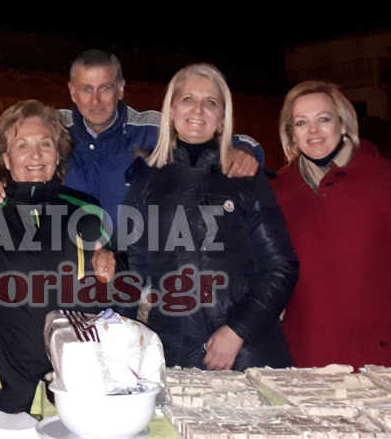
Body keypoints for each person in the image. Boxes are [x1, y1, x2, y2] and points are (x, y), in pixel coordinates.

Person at [123, 63, 297, 371]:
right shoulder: (145, 180)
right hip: (174, 353)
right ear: (171, 110)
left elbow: (281, 267)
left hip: (247, 354)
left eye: (211, 102)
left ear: (222, 118)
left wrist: (237, 331)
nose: (198, 110)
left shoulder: (245, 176)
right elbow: (133, 267)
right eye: (188, 99)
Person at [272, 80, 391, 369]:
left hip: (380, 354)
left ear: (343, 124)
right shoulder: (280, 189)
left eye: (324, 119)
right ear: (292, 134)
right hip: (306, 354)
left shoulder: (382, 178)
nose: (313, 131)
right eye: (301, 123)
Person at [0, 50, 263, 227]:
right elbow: (6, 156)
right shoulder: (54, 128)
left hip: (136, 273)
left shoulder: (151, 127)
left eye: (105, 88)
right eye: (86, 89)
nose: (95, 100)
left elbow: (211, 132)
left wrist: (242, 150)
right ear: (72, 91)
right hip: (71, 267)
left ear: (120, 89)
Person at [0, 100, 116, 413]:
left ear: (57, 154)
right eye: (23, 145)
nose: (35, 155)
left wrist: (111, 264)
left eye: (45, 144)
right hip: (7, 379)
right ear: (6, 159)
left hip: (78, 378)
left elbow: (116, 278)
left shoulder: (87, 209)